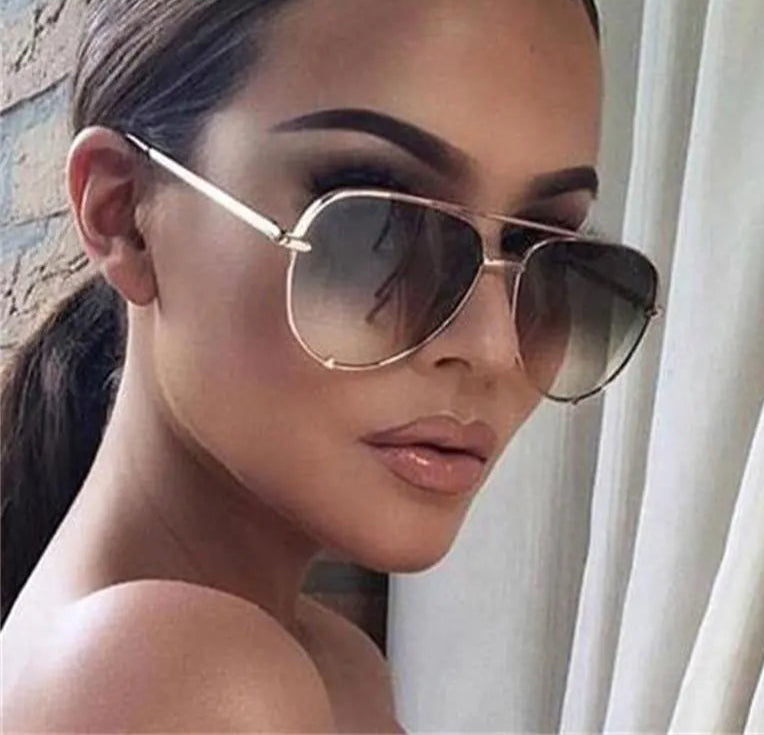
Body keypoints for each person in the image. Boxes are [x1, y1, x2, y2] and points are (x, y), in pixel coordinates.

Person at [0, 0, 660, 731]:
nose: (493, 347)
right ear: (123, 214)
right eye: (380, 223)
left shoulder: (329, 658)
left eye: (548, 249)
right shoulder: (189, 680)